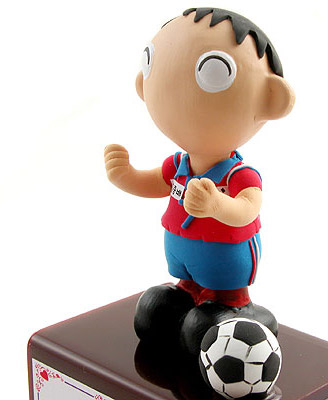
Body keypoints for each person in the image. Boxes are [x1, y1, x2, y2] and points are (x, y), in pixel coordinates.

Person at [104, 7, 294, 354]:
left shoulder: (238, 175)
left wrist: (217, 205)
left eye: (212, 72)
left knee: (201, 332)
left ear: (271, 99)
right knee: (153, 313)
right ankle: (188, 294)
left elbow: (248, 209)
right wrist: (125, 176)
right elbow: (152, 182)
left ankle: (237, 309)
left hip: (226, 274)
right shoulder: (178, 165)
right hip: (186, 268)